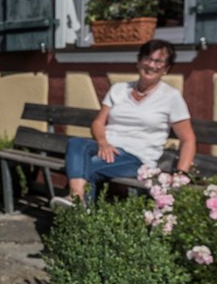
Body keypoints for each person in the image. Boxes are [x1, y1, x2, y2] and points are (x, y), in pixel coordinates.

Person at [52, 39, 196, 207]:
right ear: (138, 61)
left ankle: (78, 208)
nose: (151, 65)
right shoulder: (119, 89)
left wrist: (180, 174)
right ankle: (78, 200)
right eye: (147, 58)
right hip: (107, 150)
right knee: (76, 143)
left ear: (166, 68)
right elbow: (98, 123)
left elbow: (188, 139)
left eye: (158, 61)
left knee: (88, 168)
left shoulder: (171, 97)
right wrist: (103, 143)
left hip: (137, 159)